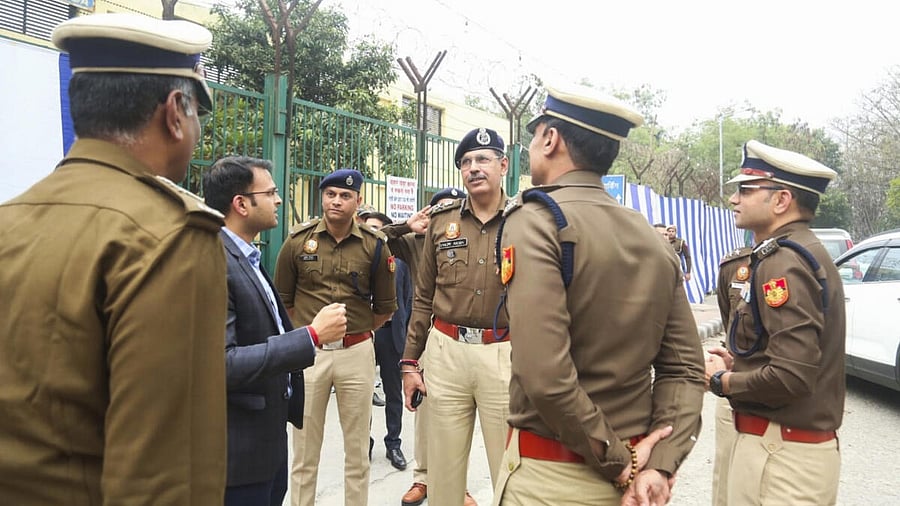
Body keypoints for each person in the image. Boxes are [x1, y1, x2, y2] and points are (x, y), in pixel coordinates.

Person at [0, 13, 228, 504]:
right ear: (174, 112)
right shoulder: (170, 237)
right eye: (196, 114)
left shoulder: (9, 219)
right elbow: (166, 478)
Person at [493, 84, 706, 506]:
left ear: (550, 140)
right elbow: (684, 369)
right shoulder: (654, 239)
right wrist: (659, 466)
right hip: (631, 480)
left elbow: (546, 376)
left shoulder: (537, 221)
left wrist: (621, 462)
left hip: (552, 480)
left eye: (535, 135)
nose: (531, 145)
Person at [202, 156, 349, 505]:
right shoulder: (213, 260)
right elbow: (222, 363)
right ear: (241, 203)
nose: (278, 200)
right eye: (270, 192)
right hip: (238, 456)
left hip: (266, 443)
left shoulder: (246, 255)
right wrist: (311, 336)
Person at [705, 140, 845, 505]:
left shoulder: (783, 262)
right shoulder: (795, 252)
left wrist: (722, 381)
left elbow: (792, 376)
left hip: (782, 458)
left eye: (746, 190)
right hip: (781, 450)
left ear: (781, 200)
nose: (735, 199)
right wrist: (747, 363)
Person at [400, 128, 512, 506]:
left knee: (509, 469)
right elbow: (423, 297)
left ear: (503, 165)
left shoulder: (525, 221)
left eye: (482, 159)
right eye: (465, 162)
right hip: (446, 351)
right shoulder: (442, 222)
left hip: (504, 353)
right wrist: (409, 363)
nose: (473, 168)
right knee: (444, 473)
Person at [274, 168, 397, 506]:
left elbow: (385, 308)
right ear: (322, 197)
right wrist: (306, 335)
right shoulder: (298, 242)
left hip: (356, 353)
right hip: (309, 354)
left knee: (357, 451)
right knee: (303, 449)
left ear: (358, 201)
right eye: (330, 194)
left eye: (345, 195)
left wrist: (356, 332)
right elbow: (283, 300)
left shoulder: (374, 247)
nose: (336, 201)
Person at [378, 187, 467, 506]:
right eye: (437, 209)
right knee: (426, 411)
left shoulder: (469, 237)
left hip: (461, 335)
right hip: (426, 333)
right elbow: (373, 240)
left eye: (451, 207)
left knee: (461, 413)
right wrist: (406, 225)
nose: (445, 213)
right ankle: (423, 478)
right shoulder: (416, 242)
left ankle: (460, 483)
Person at [361, 210, 414, 471]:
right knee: (361, 394)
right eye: (367, 228)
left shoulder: (400, 264)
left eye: (377, 229)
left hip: (391, 333)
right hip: (364, 334)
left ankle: (393, 442)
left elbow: (409, 300)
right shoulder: (356, 261)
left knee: (394, 392)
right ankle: (364, 442)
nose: (372, 234)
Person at [708, 244, 752, 506]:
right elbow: (730, 323)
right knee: (726, 472)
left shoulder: (802, 258)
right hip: (733, 387)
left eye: (745, 197)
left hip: (781, 394)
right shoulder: (734, 266)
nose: (735, 200)